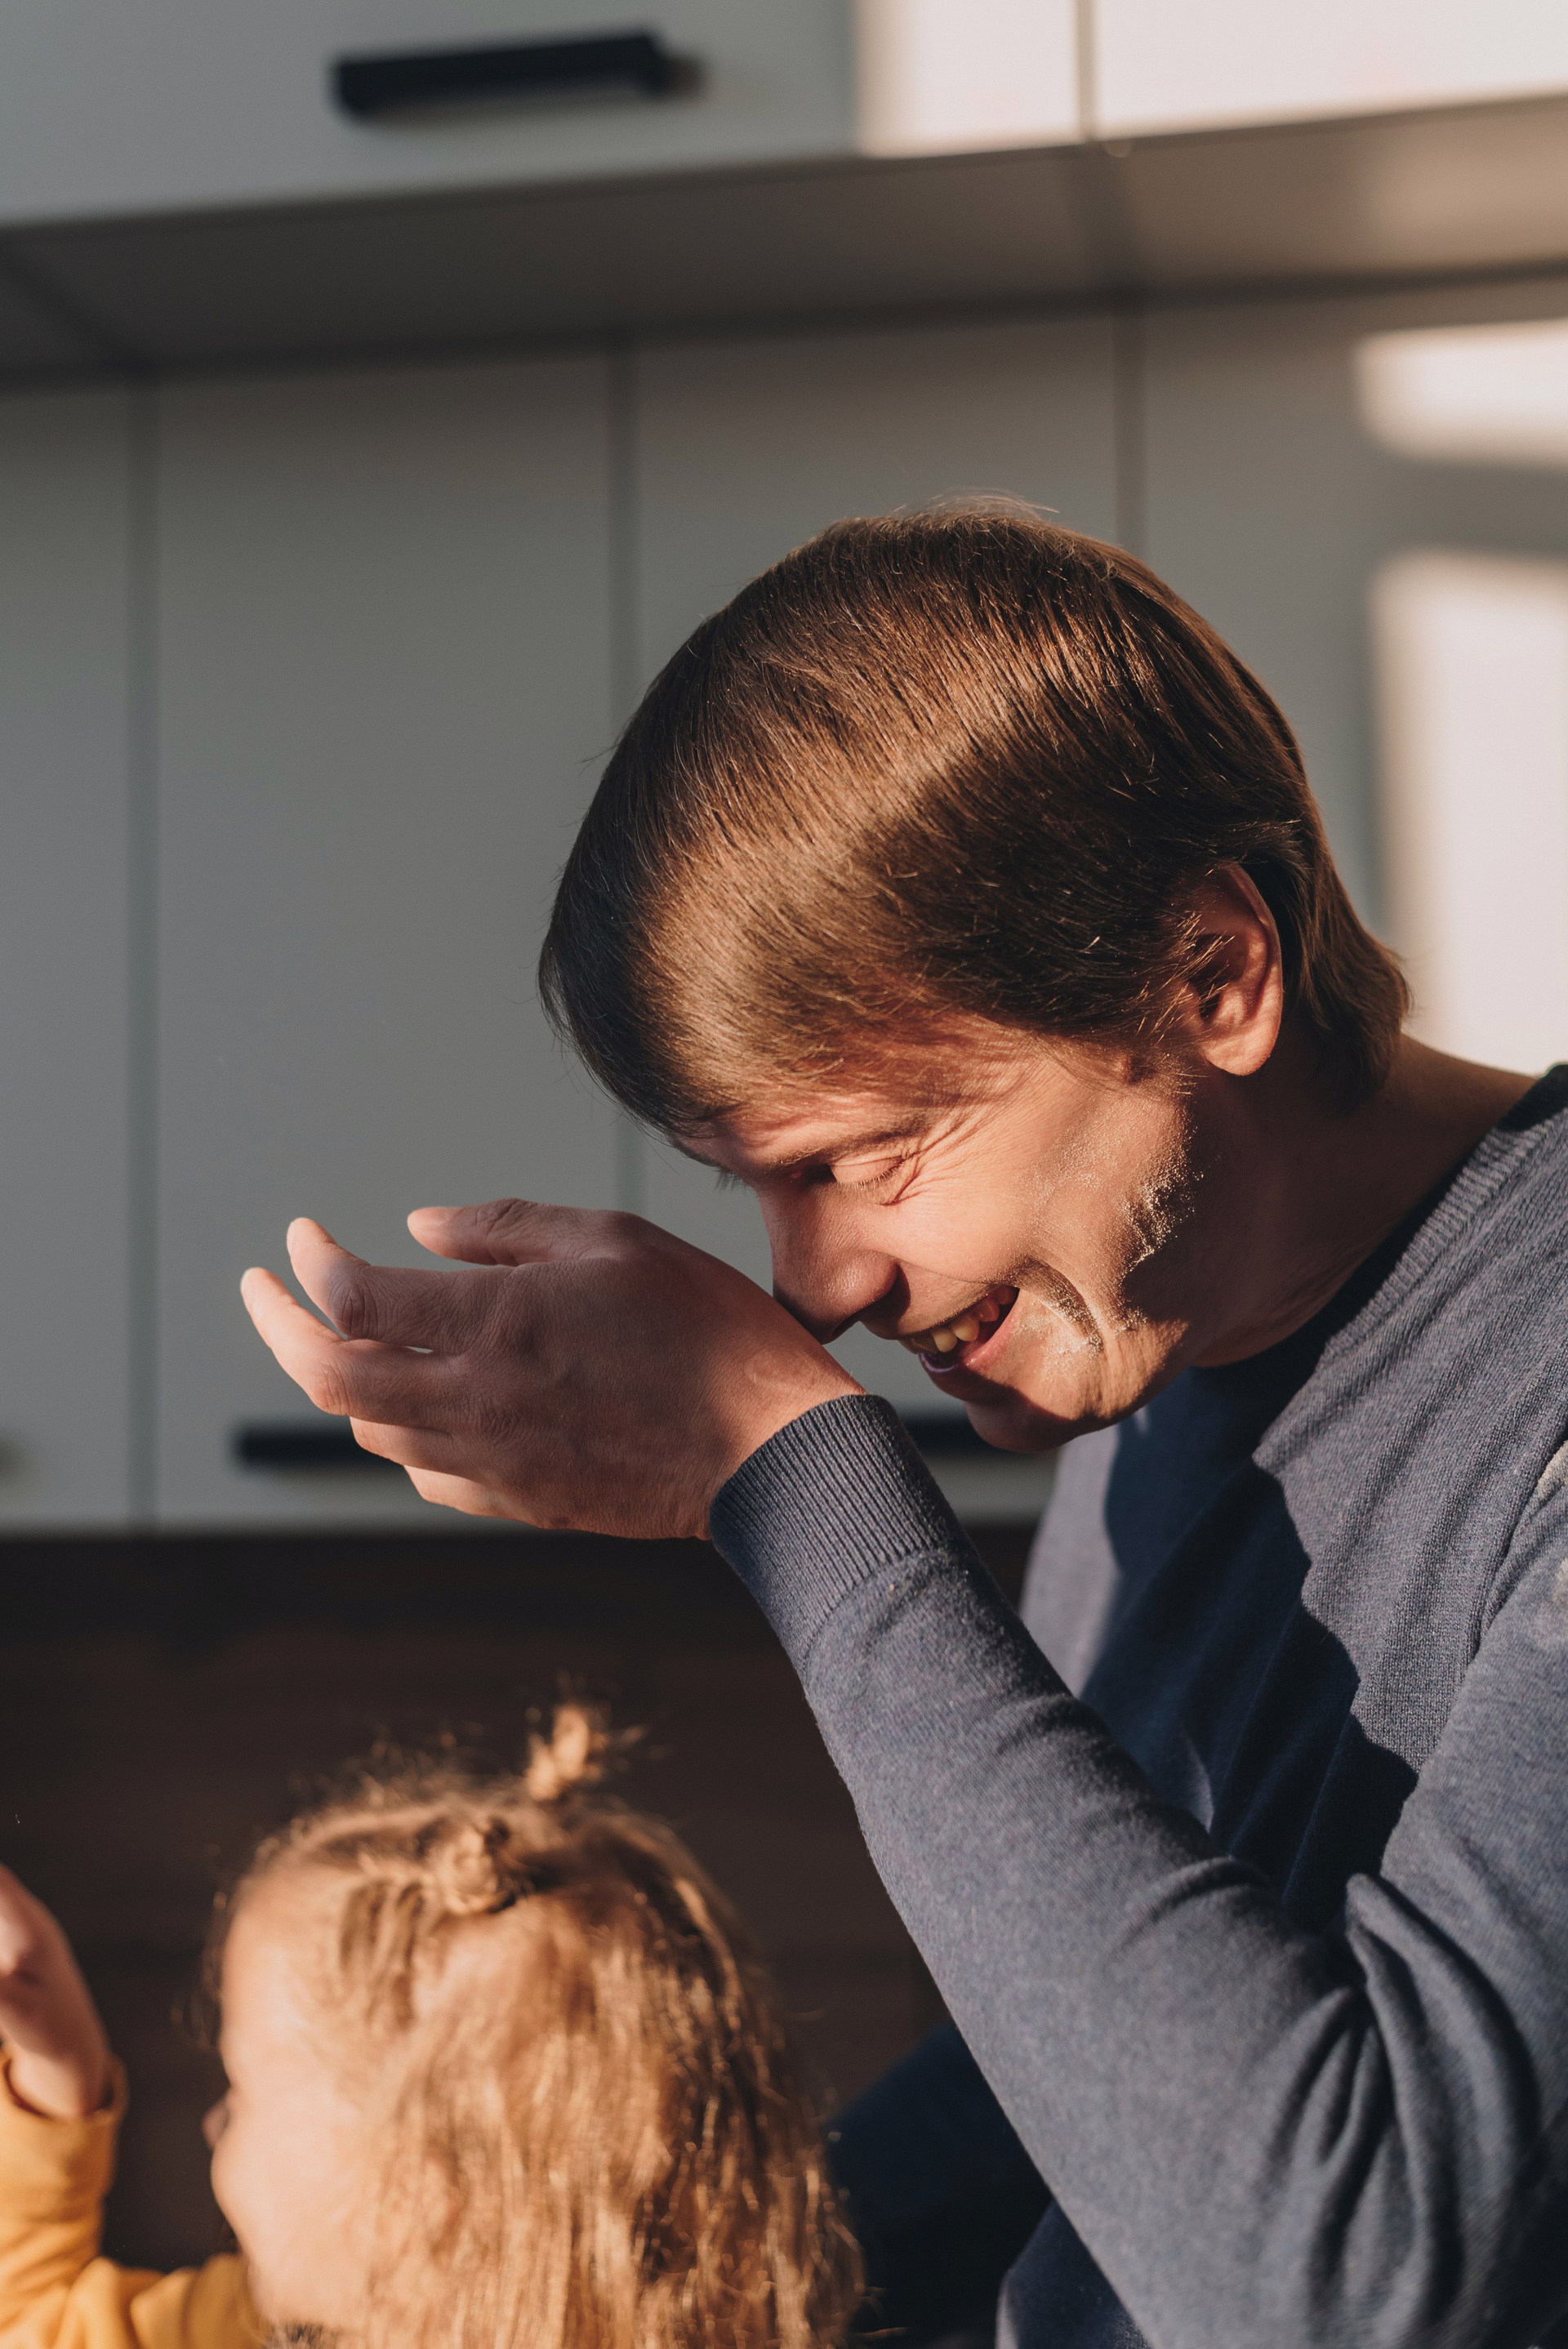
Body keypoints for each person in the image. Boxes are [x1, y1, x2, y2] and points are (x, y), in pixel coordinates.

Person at [243, 513, 1568, 2348]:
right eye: (756, 1184)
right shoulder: (1148, 1363)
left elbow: (1353, 2281)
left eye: (868, 1157)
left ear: (1213, 973)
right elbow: (1090, 2075)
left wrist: (792, 1478)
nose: (815, 1287)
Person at [0, 1705, 861, 2349]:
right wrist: (56, 2075)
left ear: (412, 2194)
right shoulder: (284, 2315)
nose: (212, 2122)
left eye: (244, 2089)